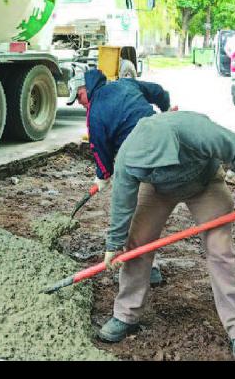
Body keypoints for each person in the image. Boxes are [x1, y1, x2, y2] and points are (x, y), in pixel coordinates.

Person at [96, 111, 235, 361]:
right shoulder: (127, 158)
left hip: (204, 184)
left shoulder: (196, 132)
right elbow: (122, 202)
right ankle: (126, 314)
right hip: (157, 191)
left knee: (221, 250)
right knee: (137, 246)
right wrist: (113, 243)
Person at [72, 68, 173, 285]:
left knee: (134, 209)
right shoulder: (125, 84)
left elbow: (99, 149)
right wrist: (164, 110)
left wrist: (103, 176)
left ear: (86, 89)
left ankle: (146, 269)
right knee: (149, 208)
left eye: (79, 97)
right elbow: (158, 92)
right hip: (166, 143)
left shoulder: (95, 114)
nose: (79, 103)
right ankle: (148, 264)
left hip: (139, 158)